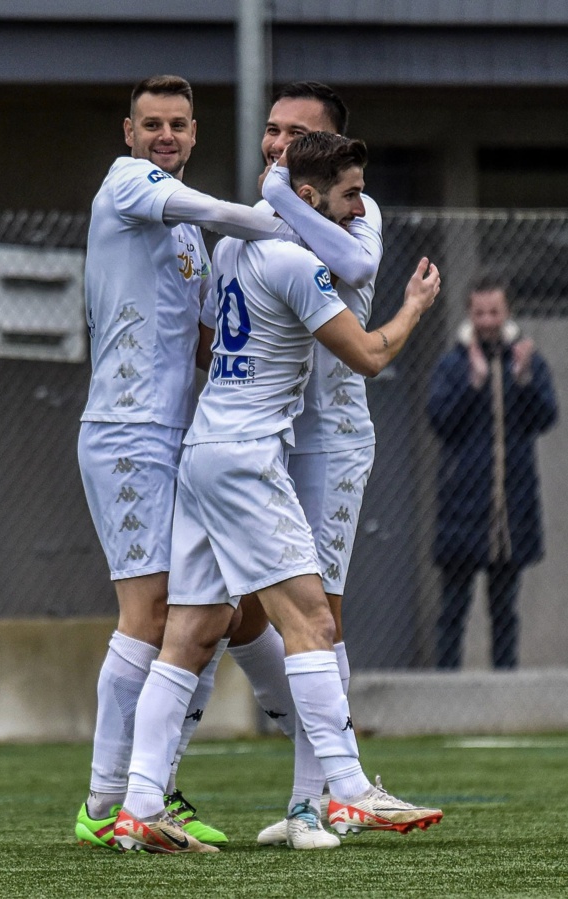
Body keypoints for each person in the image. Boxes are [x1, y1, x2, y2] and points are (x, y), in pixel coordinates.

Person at [113, 132, 443, 854]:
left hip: (204, 449)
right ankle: (350, 788)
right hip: (246, 458)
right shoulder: (297, 261)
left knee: (190, 633)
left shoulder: (236, 248)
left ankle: (138, 802)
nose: (358, 208)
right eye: (349, 193)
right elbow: (370, 354)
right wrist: (415, 303)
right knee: (314, 624)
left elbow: (212, 342)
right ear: (306, 197)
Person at [74, 74, 300, 851]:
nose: (164, 135)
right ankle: (108, 800)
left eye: (178, 124)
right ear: (129, 132)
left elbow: (211, 345)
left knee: (221, 610)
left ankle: (165, 785)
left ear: (195, 132)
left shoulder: (189, 243)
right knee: (151, 611)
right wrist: (285, 218)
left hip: (180, 439)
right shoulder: (126, 184)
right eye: (152, 124)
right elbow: (208, 206)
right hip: (125, 433)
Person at [218, 82, 384, 848]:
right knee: (239, 615)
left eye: (294, 135)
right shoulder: (258, 222)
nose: (275, 146)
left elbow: (348, 268)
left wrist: (279, 200)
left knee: (321, 613)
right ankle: (326, 762)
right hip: (258, 438)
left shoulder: (356, 211)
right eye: (271, 131)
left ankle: (312, 800)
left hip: (329, 435)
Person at [428, 274, 558, 669]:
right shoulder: (453, 363)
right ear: (470, 313)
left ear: (507, 312)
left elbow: (546, 418)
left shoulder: (527, 359)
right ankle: (444, 689)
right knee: (453, 608)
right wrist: (474, 383)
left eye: (494, 312)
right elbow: (439, 421)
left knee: (504, 611)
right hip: (462, 507)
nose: (487, 320)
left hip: (510, 510)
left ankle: (505, 687)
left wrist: (523, 381)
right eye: (480, 312)